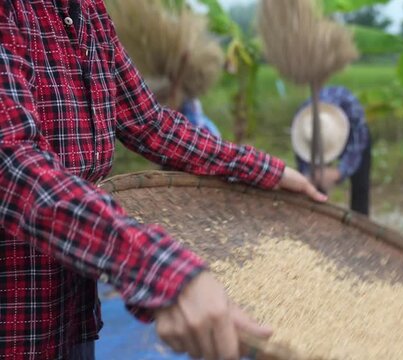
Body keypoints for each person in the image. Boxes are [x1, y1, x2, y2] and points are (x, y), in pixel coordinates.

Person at [0, 2, 326, 359]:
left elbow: (149, 124)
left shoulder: (88, 12)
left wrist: (263, 168)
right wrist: (159, 269)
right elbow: (12, 163)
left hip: (71, 309)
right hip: (17, 321)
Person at [292, 86, 371, 215]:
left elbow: (357, 149)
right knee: (315, 184)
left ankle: (360, 220)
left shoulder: (352, 110)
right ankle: (317, 216)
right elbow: (303, 162)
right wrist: (308, 178)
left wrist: (339, 173)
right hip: (314, 143)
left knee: (360, 185)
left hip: (355, 136)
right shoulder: (303, 124)